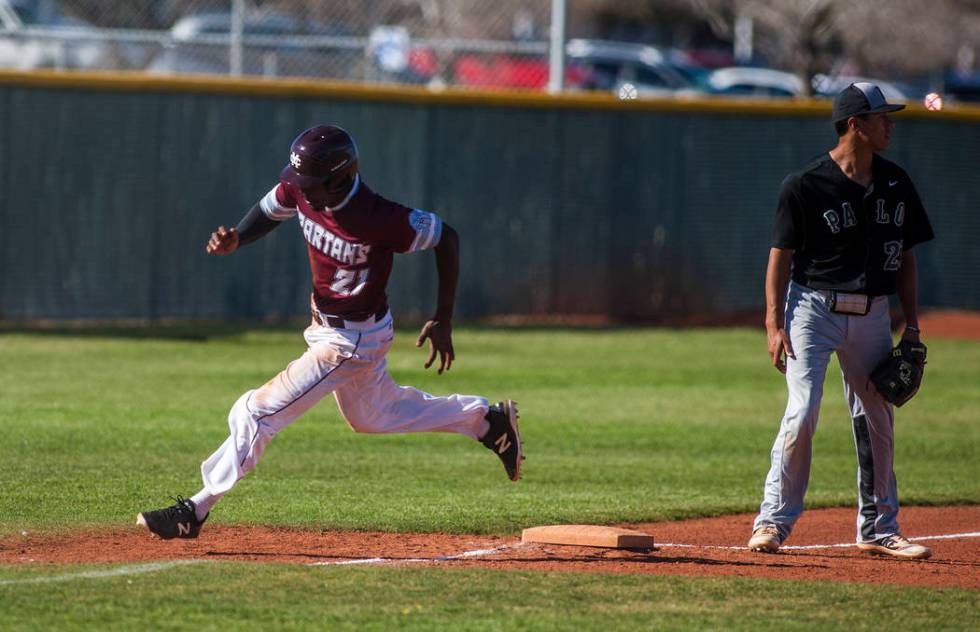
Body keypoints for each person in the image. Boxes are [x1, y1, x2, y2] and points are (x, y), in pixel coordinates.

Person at [137, 124, 524, 539]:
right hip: (332, 324)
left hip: (351, 340)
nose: (302, 190)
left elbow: (446, 237)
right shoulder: (304, 188)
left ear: (341, 177)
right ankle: (487, 421)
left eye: (311, 184)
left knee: (255, 412)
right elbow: (273, 207)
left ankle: (194, 510)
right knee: (373, 417)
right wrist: (239, 238)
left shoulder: (378, 217)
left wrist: (443, 317)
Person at [748, 83, 935, 559]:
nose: (890, 124)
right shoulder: (805, 185)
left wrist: (910, 325)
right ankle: (772, 522)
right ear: (856, 125)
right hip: (811, 308)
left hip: (873, 311)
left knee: (877, 416)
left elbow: (906, 258)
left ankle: (878, 526)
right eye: (881, 118)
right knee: (803, 409)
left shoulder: (896, 181)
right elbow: (780, 258)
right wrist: (774, 324)